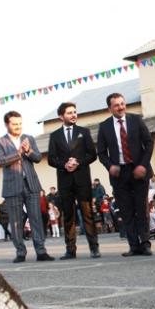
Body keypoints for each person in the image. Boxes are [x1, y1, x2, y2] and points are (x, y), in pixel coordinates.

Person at [0, 110, 54, 263]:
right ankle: (20, 252)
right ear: (7, 124)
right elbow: (1, 161)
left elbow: (38, 158)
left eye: (20, 123)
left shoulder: (29, 138)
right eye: (14, 124)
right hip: (12, 187)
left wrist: (29, 150)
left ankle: (41, 251)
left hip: (31, 185)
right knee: (16, 222)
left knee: (36, 219)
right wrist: (19, 153)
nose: (18, 126)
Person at [97, 92, 153, 256]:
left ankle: (145, 243)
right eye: (116, 105)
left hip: (139, 171)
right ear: (110, 108)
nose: (121, 107)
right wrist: (110, 166)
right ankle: (133, 245)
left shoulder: (136, 120)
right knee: (126, 210)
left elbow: (149, 143)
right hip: (119, 174)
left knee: (141, 209)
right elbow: (101, 152)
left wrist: (143, 165)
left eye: (122, 103)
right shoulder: (105, 126)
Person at [47, 101, 100, 259]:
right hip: (65, 182)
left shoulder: (84, 132)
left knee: (87, 214)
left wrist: (78, 163)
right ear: (61, 116)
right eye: (69, 112)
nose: (73, 115)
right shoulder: (55, 135)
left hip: (82, 179)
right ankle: (70, 250)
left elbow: (92, 154)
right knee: (68, 216)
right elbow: (50, 159)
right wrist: (64, 165)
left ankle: (94, 248)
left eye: (75, 112)